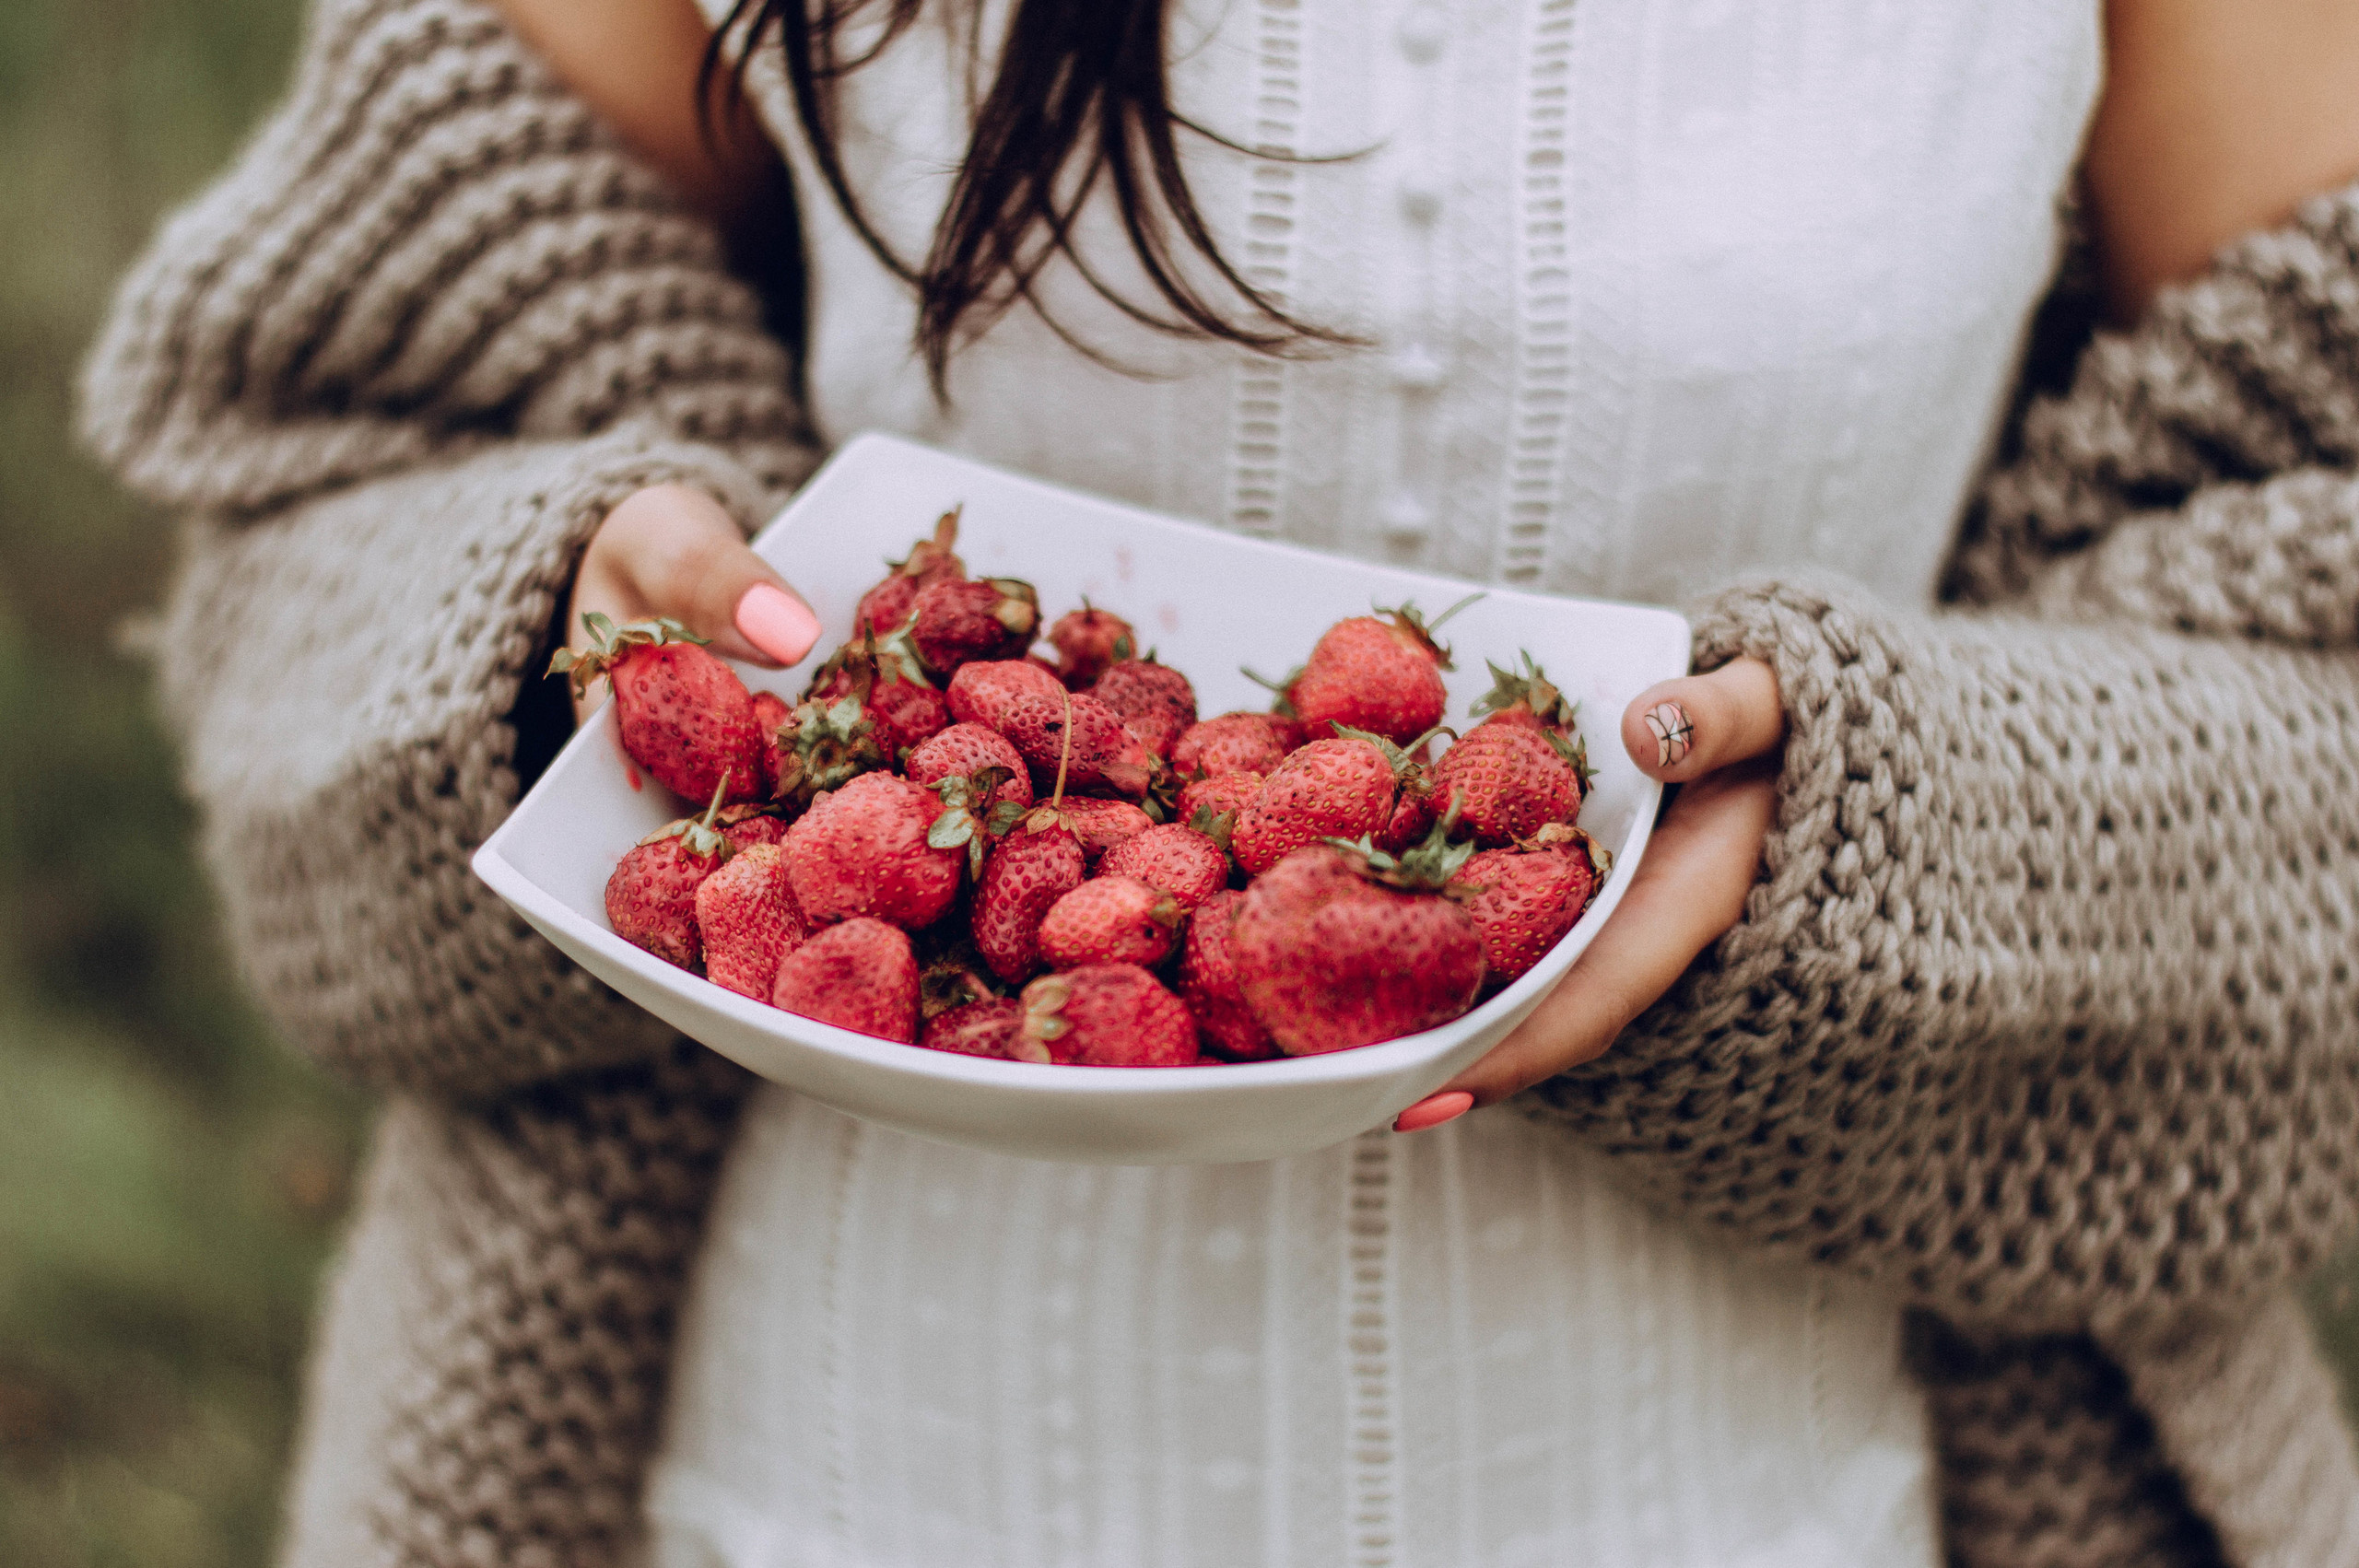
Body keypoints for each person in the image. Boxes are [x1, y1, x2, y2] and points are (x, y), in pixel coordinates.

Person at [76, 0, 2359, 1562]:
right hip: (794, 1473)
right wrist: (576, 658)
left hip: (1813, 1488)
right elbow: (324, 501)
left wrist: (1892, 854)